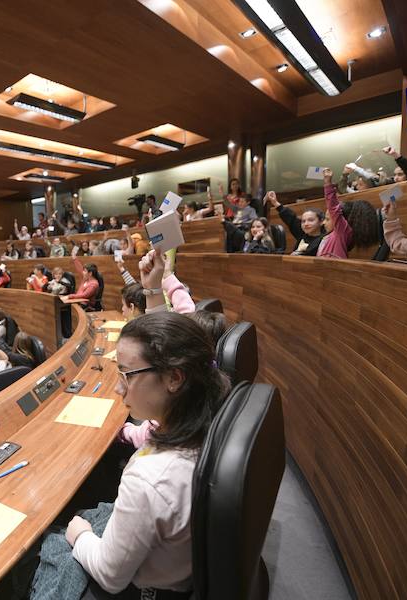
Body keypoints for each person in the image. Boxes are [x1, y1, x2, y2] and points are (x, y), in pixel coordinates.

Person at [55, 312, 230, 596]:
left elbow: (110, 576)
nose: (117, 387)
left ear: (174, 377)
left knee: (58, 537)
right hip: (181, 569)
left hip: (150, 591)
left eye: (126, 374)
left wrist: (80, 535)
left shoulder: (150, 478)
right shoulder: (208, 410)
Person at [264, 191, 326, 256]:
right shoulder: (302, 233)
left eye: (311, 220)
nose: (306, 224)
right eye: (303, 221)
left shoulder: (325, 239)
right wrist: (275, 202)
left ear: (321, 221)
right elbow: (291, 218)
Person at [316, 168, 353, 259]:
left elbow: (333, 208)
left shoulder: (341, 233)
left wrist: (328, 183)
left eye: (328, 219)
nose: (324, 223)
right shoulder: (325, 238)